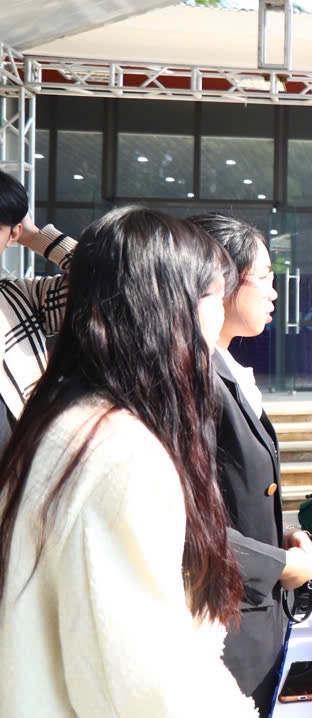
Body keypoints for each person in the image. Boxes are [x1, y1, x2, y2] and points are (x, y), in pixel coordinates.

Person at [0, 207, 255, 715]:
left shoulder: (68, 423)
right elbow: (145, 692)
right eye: (213, 294)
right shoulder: (121, 455)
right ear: (167, 308)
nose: (219, 311)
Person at [190, 212, 312, 715]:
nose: (275, 292)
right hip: (224, 629)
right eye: (264, 277)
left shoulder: (224, 368)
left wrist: (278, 537)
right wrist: (280, 565)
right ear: (220, 280)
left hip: (254, 616)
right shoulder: (193, 379)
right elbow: (187, 525)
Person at [0, 170, 77, 450]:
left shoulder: (21, 299)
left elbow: (109, 281)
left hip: (15, 465)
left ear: (13, 233)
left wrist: (35, 237)